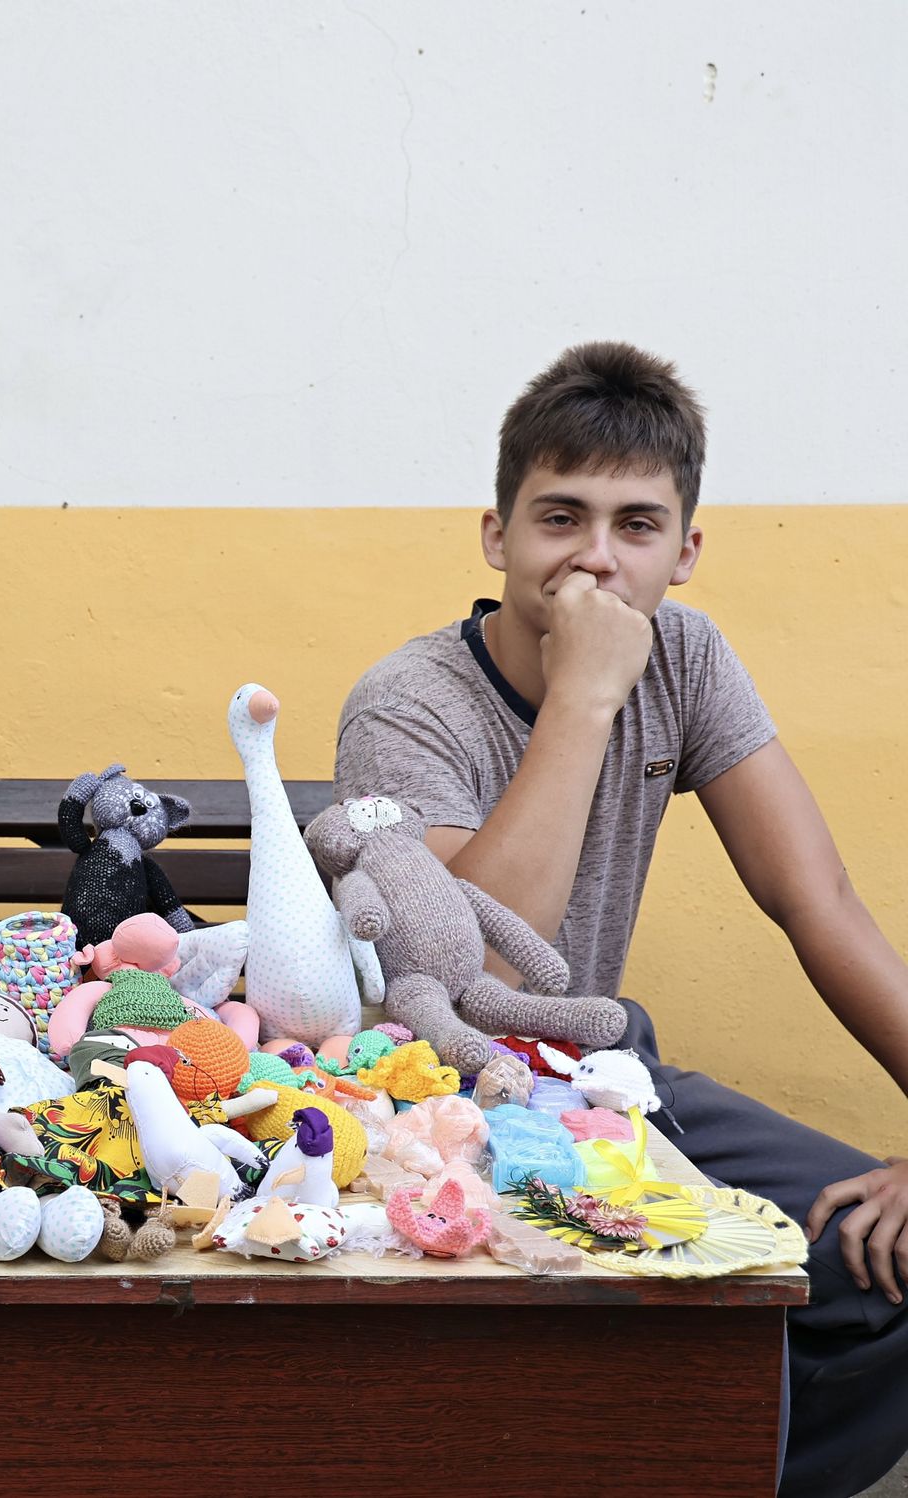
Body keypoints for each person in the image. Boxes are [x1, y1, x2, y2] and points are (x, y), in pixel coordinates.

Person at [334, 340, 908, 1496]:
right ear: (496, 537)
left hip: (605, 1076)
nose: (595, 557)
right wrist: (584, 697)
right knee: (664, 1307)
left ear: (683, 552)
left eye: (635, 525)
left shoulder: (685, 655)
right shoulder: (405, 703)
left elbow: (815, 899)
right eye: (560, 517)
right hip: (437, 1100)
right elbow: (481, 969)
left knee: (882, 1263)